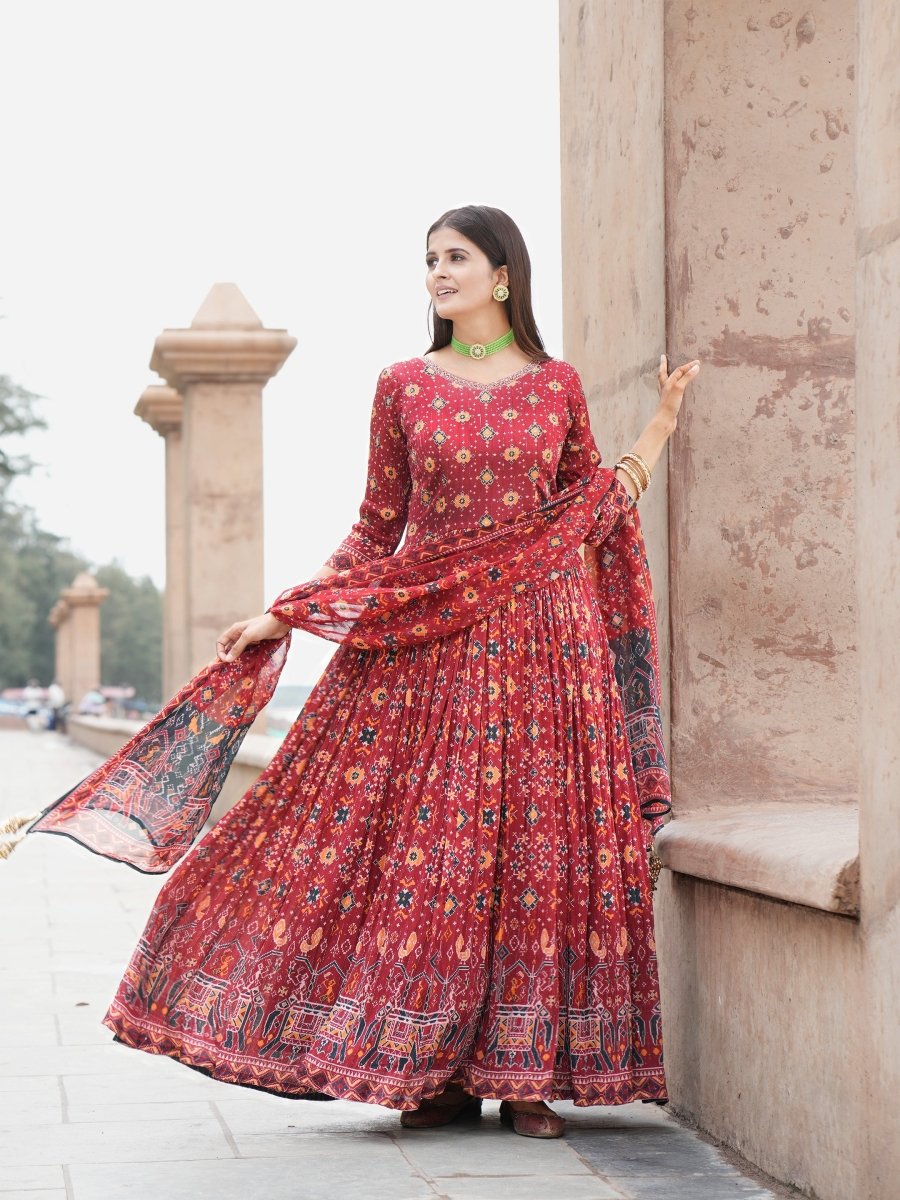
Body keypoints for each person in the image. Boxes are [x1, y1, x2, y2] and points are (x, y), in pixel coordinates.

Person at [18, 206, 698, 1138]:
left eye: (456, 257)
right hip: (436, 652)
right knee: (443, 859)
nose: (437, 273)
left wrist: (658, 424)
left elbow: (588, 511)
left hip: (549, 647)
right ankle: (442, 1073)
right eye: (428, 261)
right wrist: (286, 610)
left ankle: (528, 1077)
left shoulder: (557, 387)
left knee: (540, 857)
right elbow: (380, 529)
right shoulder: (404, 388)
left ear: (503, 274)